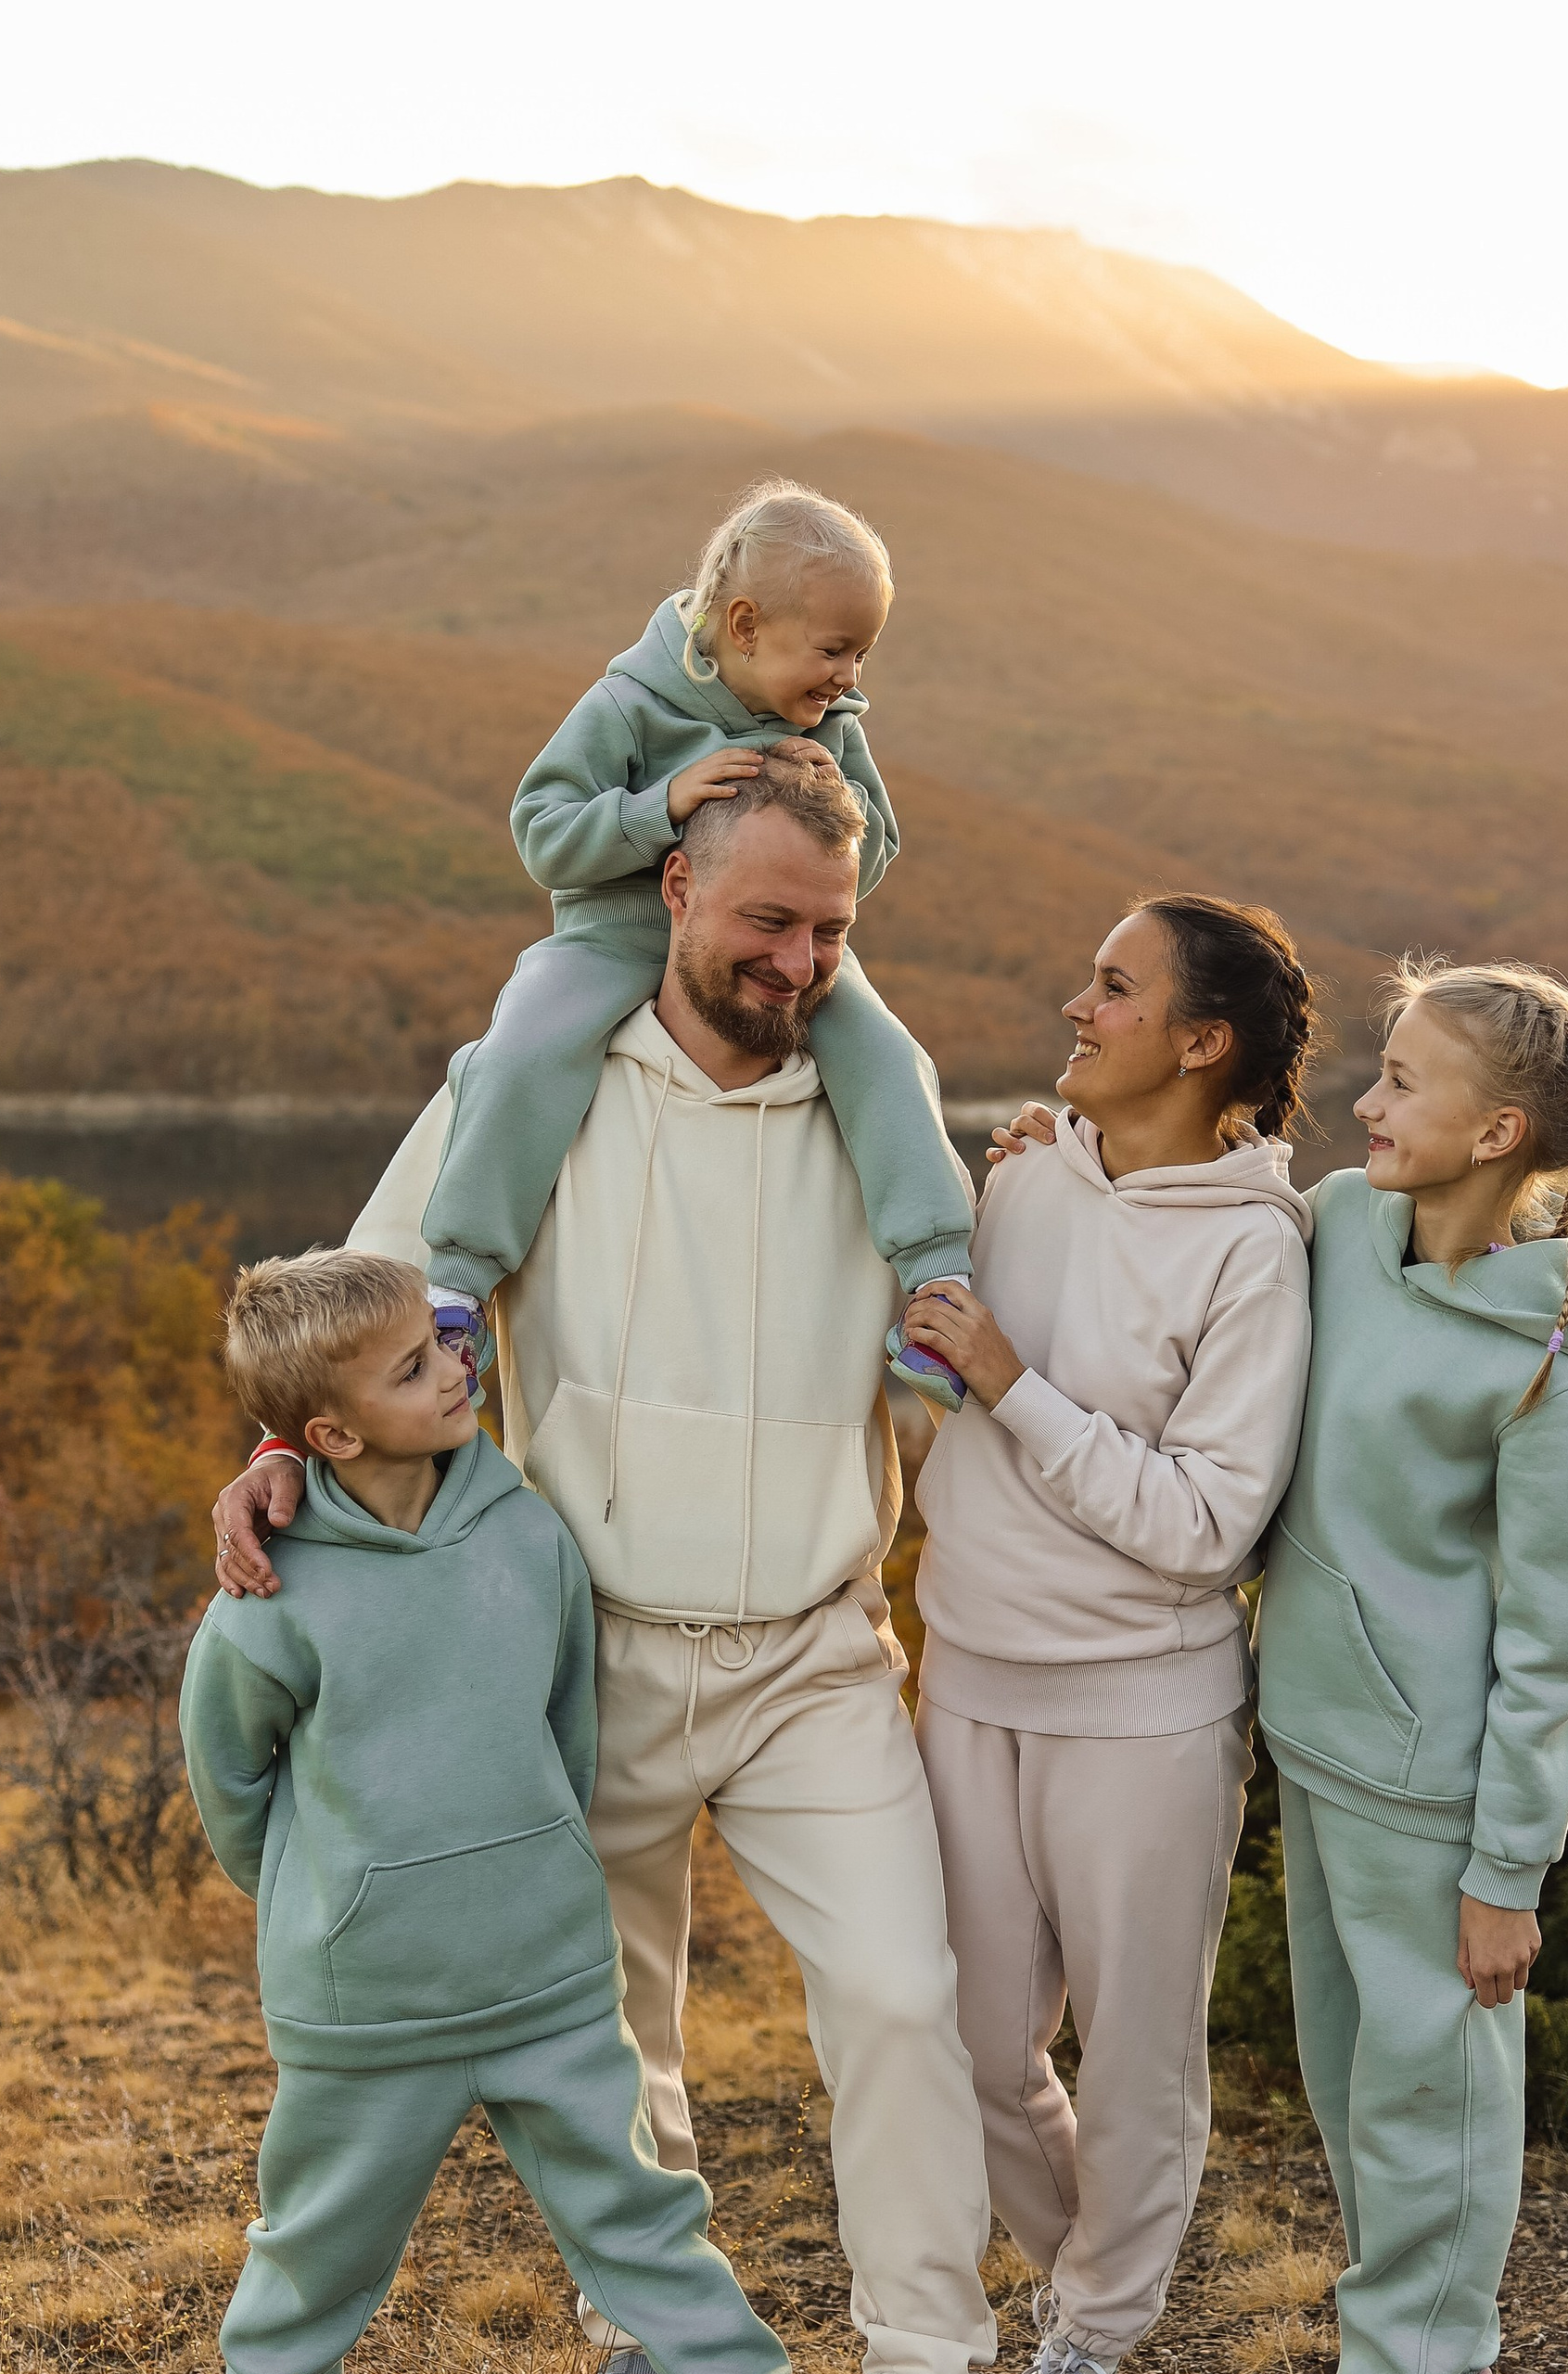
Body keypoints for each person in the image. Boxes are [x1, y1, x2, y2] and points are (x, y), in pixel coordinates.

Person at [211, 750, 998, 2374]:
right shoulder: (530, 1081)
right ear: (676, 886)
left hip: (816, 1653)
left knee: (902, 1999)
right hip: (588, 1651)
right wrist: (284, 1453)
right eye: (768, 921)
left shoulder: (877, 1106)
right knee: (619, 2025)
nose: (799, 962)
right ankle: (646, 2331)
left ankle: (930, 2345)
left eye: (832, 931)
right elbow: (356, 1318)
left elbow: (962, 1335)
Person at [182, 1249, 790, 2374]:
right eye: (413, 1368)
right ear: (333, 1435)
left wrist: (537, 1862)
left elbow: (565, 1729)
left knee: (649, 2227)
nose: (457, 1368)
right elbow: (231, 1782)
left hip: (547, 1976)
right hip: (367, 2005)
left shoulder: (529, 1535)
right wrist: (332, 1894)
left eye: (442, 1342)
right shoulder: (270, 1596)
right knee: (311, 2259)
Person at [906, 895, 1318, 2374]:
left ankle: (1095, 2329)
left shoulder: (1254, 1253)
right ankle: (1081, 2282)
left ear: (1202, 1045)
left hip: (1146, 1711)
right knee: (971, 2050)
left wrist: (1014, 1386)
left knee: (1137, 2065)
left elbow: (1208, 1525)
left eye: (1115, 987)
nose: (1078, 1008)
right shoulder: (1025, 1176)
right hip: (966, 1678)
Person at [1255, 958, 1568, 2374]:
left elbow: (1554, 1633)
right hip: (1314, 1742)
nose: (1365, 1101)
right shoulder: (1338, 1223)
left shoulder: (1547, 1361)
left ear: (1496, 1134)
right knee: (1355, 2100)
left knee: (1436, 2124)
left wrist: (1506, 1873)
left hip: (1432, 1792)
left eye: (1403, 1082)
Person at [416, 478, 977, 1410]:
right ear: (746, 626)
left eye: (864, 653)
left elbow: (871, 856)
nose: (850, 677)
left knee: (889, 1058)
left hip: (777, 961)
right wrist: (658, 807)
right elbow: (543, 833)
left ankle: (938, 1284)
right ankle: (458, 1290)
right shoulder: (629, 704)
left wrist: (833, 794)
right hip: (610, 939)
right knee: (520, 1053)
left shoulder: (834, 728)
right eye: (834, 649)